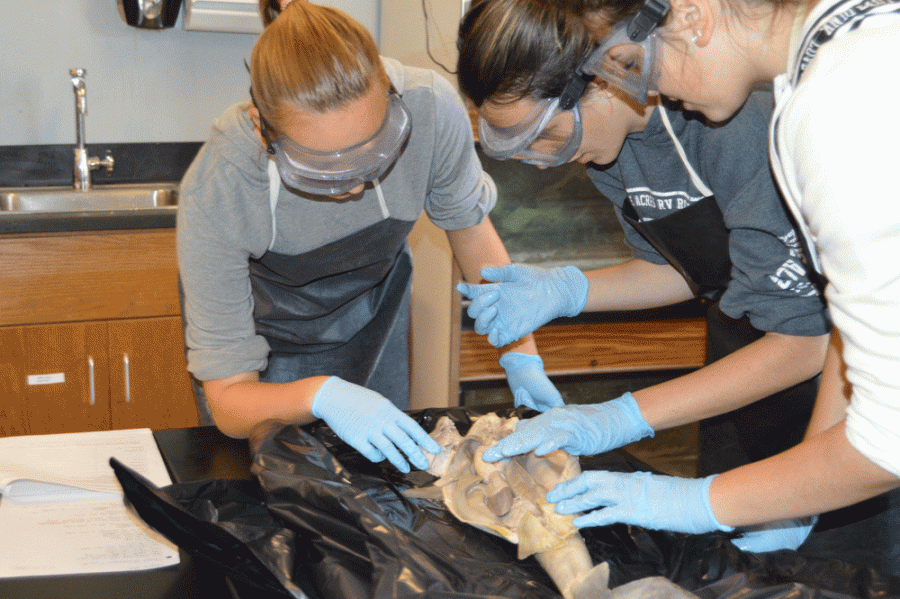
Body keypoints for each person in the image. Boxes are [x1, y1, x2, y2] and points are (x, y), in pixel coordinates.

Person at [469, 0, 900, 576]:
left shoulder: (806, 112)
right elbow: (706, 272)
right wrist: (568, 290)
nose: (645, 83)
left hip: (834, 393)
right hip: (768, 368)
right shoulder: (616, 151)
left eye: (624, 62)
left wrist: (629, 427)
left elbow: (823, 351)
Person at [177, 1, 563, 474]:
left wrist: (521, 355)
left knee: (381, 485)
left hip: (372, 322)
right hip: (264, 359)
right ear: (264, 132)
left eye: (376, 150)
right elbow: (230, 402)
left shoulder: (431, 107)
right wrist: (322, 394)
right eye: (325, 169)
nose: (358, 184)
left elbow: (472, 232)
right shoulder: (223, 184)